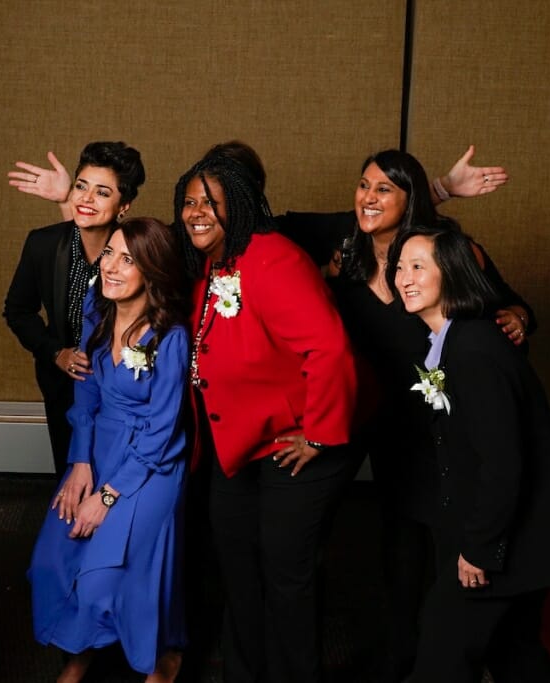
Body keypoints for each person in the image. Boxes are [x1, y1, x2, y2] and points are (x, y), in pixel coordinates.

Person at [328, 148, 536, 681]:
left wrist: (517, 317)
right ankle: (406, 658)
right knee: (397, 556)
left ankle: (449, 659)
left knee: (453, 558)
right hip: (386, 432)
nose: (368, 198)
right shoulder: (345, 260)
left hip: (444, 433)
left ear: (409, 198)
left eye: (384, 190)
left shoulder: (438, 254)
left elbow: (508, 307)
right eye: (363, 185)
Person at [175, 153, 360, 683]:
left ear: (242, 204)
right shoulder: (211, 258)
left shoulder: (273, 257)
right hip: (234, 446)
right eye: (189, 202)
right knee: (238, 570)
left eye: (211, 202)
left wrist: (321, 436)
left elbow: (329, 349)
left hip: (291, 448)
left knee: (285, 576)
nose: (196, 212)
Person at [388, 223, 550, 683]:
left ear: (453, 274)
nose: (405, 278)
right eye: (400, 267)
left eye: (419, 266)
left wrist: (479, 548)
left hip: (515, 533)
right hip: (508, 525)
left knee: (441, 655)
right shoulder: (448, 341)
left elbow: (504, 462)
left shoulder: (475, 349)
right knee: (513, 651)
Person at [27, 217, 190, 683]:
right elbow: (86, 395)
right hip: (98, 449)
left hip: (151, 464)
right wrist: (81, 464)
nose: (113, 267)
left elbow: (162, 431)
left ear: (153, 270)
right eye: (110, 255)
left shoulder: (170, 337)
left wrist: (109, 494)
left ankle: (162, 659)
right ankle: (79, 655)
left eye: (128, 259)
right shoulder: (95, 310)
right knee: (51, 560)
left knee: (104, 575)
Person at [7, 143, 508, 269]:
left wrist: (437, 187)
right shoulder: (179, 232)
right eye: (198, 199)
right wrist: (69, 201)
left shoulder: (283, 238)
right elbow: (110, 244)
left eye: (224, 196)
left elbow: (372, 214)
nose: (204, 211)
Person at [4, 141, 146, 476]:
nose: (85, 198)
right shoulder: (43, 244)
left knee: (115, 480)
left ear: (123, 205)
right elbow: (17, 311)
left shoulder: (141, 250)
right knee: (70, 480)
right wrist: (56, 353)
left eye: (102, 192)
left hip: (125, 388)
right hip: (65, 386)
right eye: (81, 187)